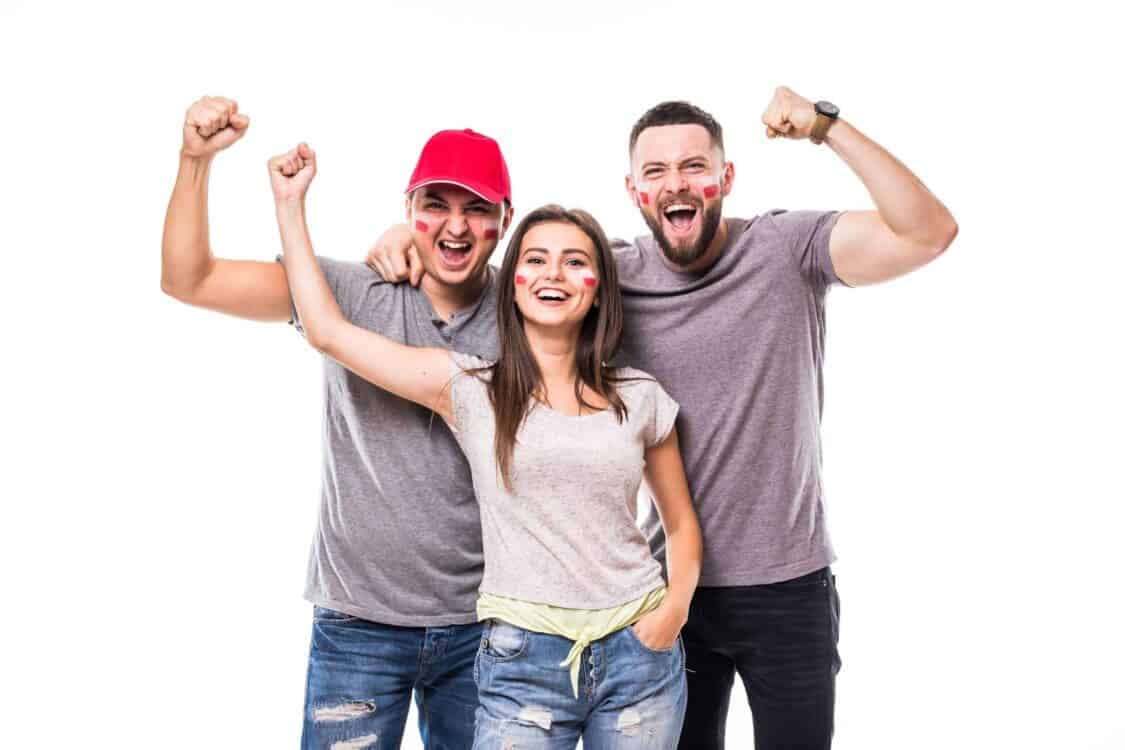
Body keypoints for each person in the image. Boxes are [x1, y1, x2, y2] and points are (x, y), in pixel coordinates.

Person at [364, 87, 959, 749]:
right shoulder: (612, 274)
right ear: (633, 190)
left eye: (694, 166)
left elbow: (927, 232)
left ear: (725, 178)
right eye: (654, 171)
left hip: (788, 585)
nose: (675, 182)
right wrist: (405, 237)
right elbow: (524, 278)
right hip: (666, 595)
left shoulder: (788, 249)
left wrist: (825, 126)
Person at [269, 137, 704, 748]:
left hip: (639, 652)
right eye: (537, 260)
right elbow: (327, 331)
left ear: (601, 287)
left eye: (576, 262)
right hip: (521, 654)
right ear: (512, 280)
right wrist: (291, 206)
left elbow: (679, 523)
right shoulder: (469, 385)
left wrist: (672, 613)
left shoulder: (639, 394)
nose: (554, 274)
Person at [161, 95, 515, 749]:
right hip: (359, 624)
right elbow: (191, 279)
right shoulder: (351, 293)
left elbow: (601, 271)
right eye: (435, 205)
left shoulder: (532, 311)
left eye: (477, 208)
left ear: (505, 220)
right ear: (408, 209)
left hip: (489, 626)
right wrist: (195, 161)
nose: (456, 227)